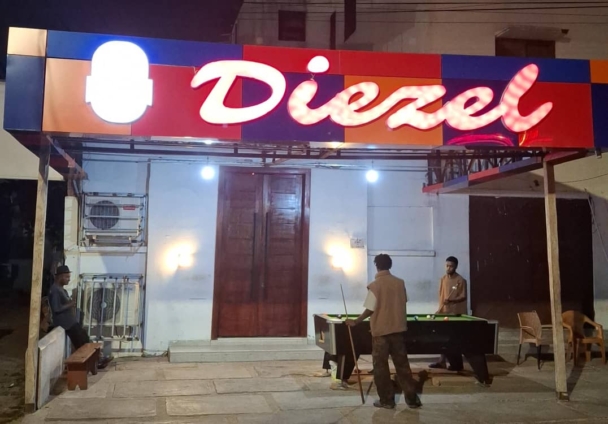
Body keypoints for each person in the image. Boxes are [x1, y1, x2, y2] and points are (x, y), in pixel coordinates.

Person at [346, 254, 421, 409]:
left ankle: (387, 400)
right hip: (398, 331)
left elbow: (370, 309)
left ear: (376, 266)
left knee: (380, 368)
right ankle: (412, 400)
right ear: (390, 265)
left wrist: (356, 321)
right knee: (403, 366)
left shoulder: (375, 285)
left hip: (380, 333)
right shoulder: (400, 283)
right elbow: (404, 300)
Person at [48, 265, 112, 368]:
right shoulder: (55, 290)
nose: (69, 280)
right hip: (66, 324)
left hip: (70, 322)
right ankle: (95, 361)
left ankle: (98, 358)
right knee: (82, 343)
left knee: (84, 339)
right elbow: (56, 309)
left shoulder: (60, 289)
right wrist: (70, 304)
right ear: (60, 276)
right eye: (67, 277)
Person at [429, 256, 467, 371]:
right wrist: (439, 309)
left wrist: (451, 300)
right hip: (444, 312)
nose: (448, 268)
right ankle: (442, 362)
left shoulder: (460, 280)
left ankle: (457, 364)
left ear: (456, 267)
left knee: (453, 339)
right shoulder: (443, 279)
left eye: (451, 266)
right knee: (443, 338)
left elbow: (463, 296)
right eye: (447, 265)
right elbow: (441, 296)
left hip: (455, 314)